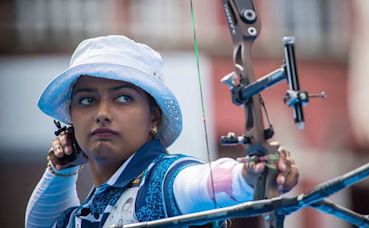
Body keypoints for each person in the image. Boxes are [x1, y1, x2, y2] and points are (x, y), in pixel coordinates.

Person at [25, 35, 299, 227]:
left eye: (123, 99)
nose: (102, 113)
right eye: (87, 100)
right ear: (71, 118)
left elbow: (199, 184)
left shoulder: (160, 179)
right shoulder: (94, 205)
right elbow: (42, 224)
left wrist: (253, 172)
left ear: (153, 114)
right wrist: (61, 169)